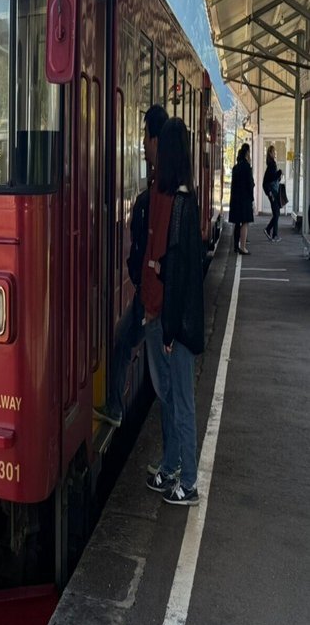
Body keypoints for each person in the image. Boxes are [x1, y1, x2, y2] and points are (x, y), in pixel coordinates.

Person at [142, 117, 205, 506]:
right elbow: (181, 265)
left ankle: (191, 481)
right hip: (182, 322)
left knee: (182, 402)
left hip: (179, 326)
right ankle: (175, 469)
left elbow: (180, 275)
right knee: (179, 399)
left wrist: (167, 331)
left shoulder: (179, 205)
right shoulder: (187, 199)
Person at [95, 104, 168, 427]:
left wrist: (148, 298)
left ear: (154, 138)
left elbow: (155, 249)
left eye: (144, 135)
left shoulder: (158, 192)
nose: (141, 142)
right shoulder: (164, 183)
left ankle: (115, 406)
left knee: (128, 346)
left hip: (152, 298)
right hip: (152, 294)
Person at [228, 143, 254, 254]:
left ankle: (235, 246)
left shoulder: (235, 168)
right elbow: (250, 184)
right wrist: (252, 199)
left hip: (235, 199)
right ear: (247, 154)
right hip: (245, 199)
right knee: (244, 223)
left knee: (237, 223)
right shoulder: (247, 167)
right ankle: (243, 247)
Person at [263, 144, 283, 242]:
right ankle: (272, 233)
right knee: (276, 213)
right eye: (274, 151)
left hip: (270, 191)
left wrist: (277, 176)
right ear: (271, 153)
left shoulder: (270, 163)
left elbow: (271, 178)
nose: (275, 153)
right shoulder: (272, 164)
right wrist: (279, 173)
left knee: (276, 213)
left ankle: (271, 231)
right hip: (272, 192)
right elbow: (272, 178)